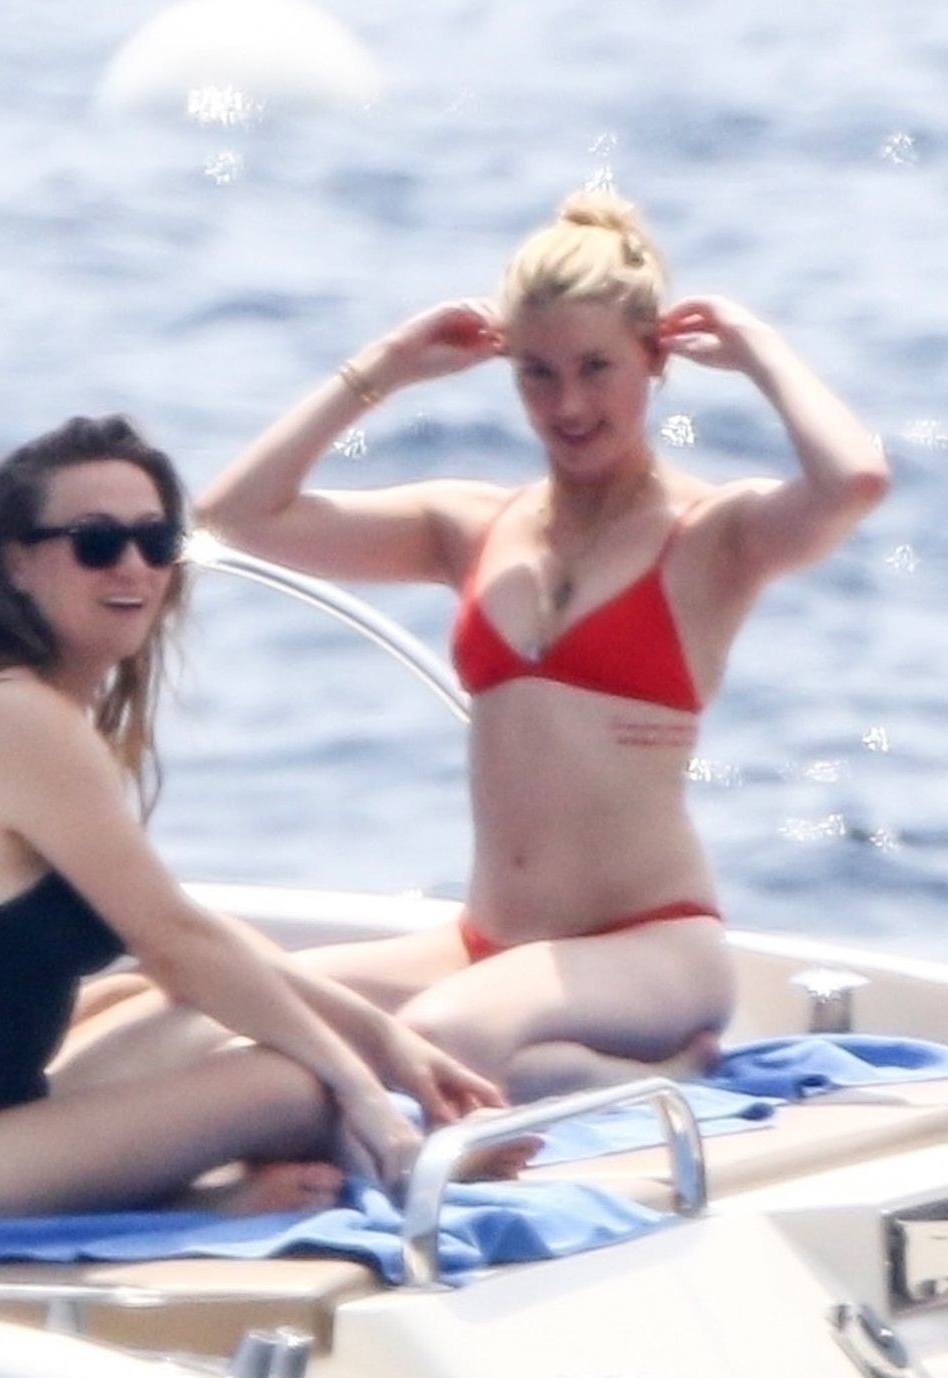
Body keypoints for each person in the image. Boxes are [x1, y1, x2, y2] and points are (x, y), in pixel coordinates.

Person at [187, 189, 890, 1099]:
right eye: (537, 373)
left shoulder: (713, 537)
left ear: (654, 359)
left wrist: (760, 349)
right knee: (223, 1005)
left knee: (439, 1040)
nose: (569, 403)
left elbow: (854, 480)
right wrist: (386, 367)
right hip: (489, 943)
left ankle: (666, 1074)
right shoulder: (468, 526)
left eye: (597, 367)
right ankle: (626, 1077)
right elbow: (236, 514)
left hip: (650, 944)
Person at [0, 414, 501, 1231]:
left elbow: (193, 938)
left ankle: (248, 1181)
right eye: (96, 543)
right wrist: (365, 1087)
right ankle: (404, 1158)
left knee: (175, 1007)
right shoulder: (17, 718)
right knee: (292, 1083)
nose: (132, 564)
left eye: (155, 540)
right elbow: (177, 942)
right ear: (16, 563)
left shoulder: (14, 701)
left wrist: (388, 1040)